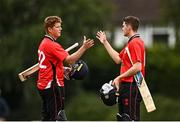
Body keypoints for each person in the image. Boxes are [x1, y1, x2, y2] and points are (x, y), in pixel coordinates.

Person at [37, 16, 94, 121]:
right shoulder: (52, 45)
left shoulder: (43, 43)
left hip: (44, 86)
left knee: (47, 118)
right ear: (50, 29)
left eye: (60, 26)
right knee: (57, 118)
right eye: (57, 27)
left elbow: (48, 65)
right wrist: (84, 48)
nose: (61, 29)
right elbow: (70, 60)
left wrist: (62, 69)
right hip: (53, 86)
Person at [96, 16, 145, 121]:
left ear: (129, 27)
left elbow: (137, 67)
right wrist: (105, 42)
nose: (122, 28)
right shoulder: (130, 43)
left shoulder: (135, 42)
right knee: (123, 118)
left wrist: (119, 77)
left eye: (123, 26)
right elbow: (118, 59)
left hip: (132, 85)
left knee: (130, 119)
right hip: (127, 86)